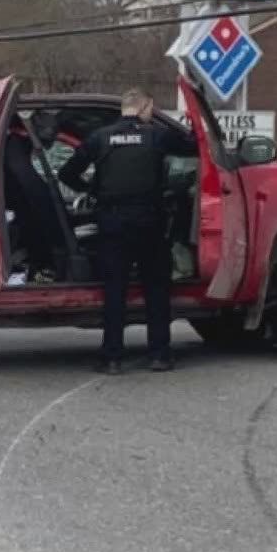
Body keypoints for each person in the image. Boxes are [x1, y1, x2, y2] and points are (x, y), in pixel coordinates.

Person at [57, 88, 195, 374]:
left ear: (123, 108)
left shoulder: (100, 138)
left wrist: (92, 190)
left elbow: (67, 173)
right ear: (145, 107)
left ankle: (112, 359)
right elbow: (193, 147)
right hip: (149, 221)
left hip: (113, 222)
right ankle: (159, 355)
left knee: (115, 291)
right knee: (156, 289)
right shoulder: (156, 135)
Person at [2, 115, 63, 283]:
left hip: (21, 214)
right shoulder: (16, 148)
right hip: (22, 215)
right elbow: (31, 186)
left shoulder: (15, 146)